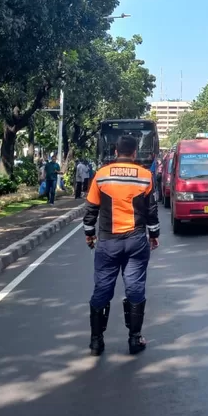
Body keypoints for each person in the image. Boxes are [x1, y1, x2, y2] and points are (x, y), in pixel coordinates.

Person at [83, 135, 160, 356]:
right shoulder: (145, 176)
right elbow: (151, 211)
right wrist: (154, 235)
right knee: (135, 288)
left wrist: (90, 235)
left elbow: (91, 210)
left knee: (102, 289)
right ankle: (135, 340)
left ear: (116, 152)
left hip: (107, 242)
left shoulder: (101, 175)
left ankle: (96, 342)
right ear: (134, 153)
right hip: (136, 241)